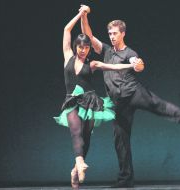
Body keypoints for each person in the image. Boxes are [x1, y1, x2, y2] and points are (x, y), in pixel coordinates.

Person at [80, 5, 180, 188]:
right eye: (110, 33)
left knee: (158, 105)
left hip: (135, 93)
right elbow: (88, 35)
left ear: (122, 34)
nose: (111, 36)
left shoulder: (129, 53)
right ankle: (126, 179)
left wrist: (138, 64)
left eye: (115, 33)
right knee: (120, 141)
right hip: (119, 104)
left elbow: (138, 64)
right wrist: (83, 15)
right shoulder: (107, 51)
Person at [53, 8, 139, 190]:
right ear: (75, 47)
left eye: (86, 48)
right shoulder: (67, 55)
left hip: (90, 102)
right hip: (72, 101)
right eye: (80, 47)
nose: (83, 50)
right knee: (75, 130)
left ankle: (75, 170)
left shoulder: (91, 64)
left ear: (89, 49)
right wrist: (80, 14)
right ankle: (80, 162)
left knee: (86, 137)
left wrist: (131, 64)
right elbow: (67, 30)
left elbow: (111, 67)